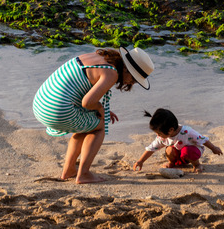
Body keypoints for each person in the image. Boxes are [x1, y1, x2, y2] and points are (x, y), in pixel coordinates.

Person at [32, 46, 154, 184]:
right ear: (127, 69)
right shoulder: (112, 73)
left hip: (41, 104)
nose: (133, 83)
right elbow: (87, 102)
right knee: (99, 127)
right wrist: (101, 109)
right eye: (135, 79)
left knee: (88, 124)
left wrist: (99, 110)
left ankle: (69, 170)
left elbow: (80, 92)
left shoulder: (98, 57)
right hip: (58, 111)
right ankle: (83, 174)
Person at [133, 108, 222, 173]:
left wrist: (214, 148)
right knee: (169, 149)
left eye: (159, 133)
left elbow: (203, 139)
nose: (158, 136)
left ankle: (197, 164)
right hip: (178, 154)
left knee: (187, 150)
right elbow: (151, 148)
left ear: (171, 130)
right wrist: (141, 161)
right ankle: (172, 162)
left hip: (192, 153)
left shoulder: (187, 132)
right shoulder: (163, 137)